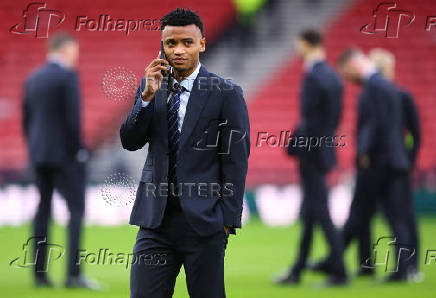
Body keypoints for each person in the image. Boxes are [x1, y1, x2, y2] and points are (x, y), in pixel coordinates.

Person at [120, 8, 250, 298]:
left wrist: (227, 222)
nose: (178, 50)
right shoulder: (151, 87)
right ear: (162, 46)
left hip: (204, 225)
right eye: (171, 43)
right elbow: (130, 140)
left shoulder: (226, 93)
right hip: (155, 221)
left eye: (187, 43)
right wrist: (145, 98)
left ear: (201, 44)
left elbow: (236, 161)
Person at [22, 32, 95, 288]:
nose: (76, 56)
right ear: (64, 50)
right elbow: (72, 121)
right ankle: (73, 275)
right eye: (74, 50)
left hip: (40, 156)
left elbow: (27, 121)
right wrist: (79, 151)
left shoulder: (32, 78)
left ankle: (39, 275)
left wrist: (34, 151)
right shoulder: (67, 77)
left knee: (42, 212)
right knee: (75, 211)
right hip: (65, 157)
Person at [275, 29, 347, 286]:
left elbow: (308, 119)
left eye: (299, 43)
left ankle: (340, 271)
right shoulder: (334, 77)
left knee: (321, 213)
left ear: (306, 43)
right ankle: (297, 270)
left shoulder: (313, 76)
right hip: (324, 150)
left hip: (312, 154)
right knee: (310, 214)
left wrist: (300, 147)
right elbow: (334, 118)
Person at [334, 48, 411, 281]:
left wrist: (364, 152)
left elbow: (374, 124)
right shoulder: (386, 86)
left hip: (379, 162)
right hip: (392, 161)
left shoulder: (374, 87)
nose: (346, 79)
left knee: (362, 212)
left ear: (353, 64)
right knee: (392, 217)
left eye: (346, 72)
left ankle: (334, 259)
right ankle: (401, 270)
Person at [368, 48, 421, 279]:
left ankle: (406, 267)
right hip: (392, 165)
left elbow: (415, 133)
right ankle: (408, 267)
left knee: (399, 216)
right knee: (399, 216)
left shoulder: (399, 95)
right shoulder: (395, 94)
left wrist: (408, 161)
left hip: (393, 166)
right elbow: (415, 134)